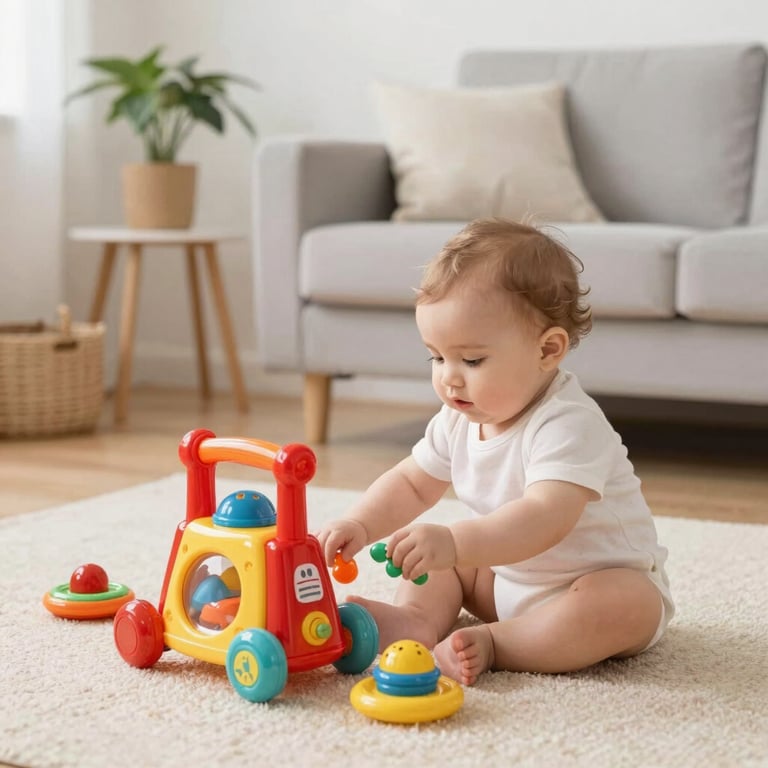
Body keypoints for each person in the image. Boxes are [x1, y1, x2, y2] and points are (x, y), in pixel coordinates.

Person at [318, 218, 674, 686]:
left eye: (472, 360)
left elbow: (545, 517)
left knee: (626, 603)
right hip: (505, 579)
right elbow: (410, 481)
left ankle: (498, 643)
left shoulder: (568, 422)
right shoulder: (459, 419)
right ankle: (417, 622)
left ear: (547, 349)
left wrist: (455, 543)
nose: (449, 377)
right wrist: (360, 523)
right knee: (444, 564)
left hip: (586, 584)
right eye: (437, 357)